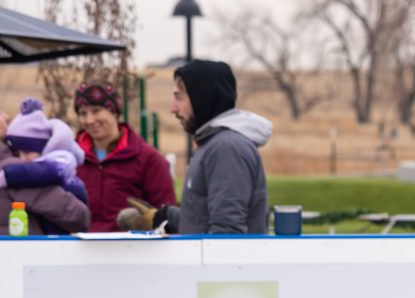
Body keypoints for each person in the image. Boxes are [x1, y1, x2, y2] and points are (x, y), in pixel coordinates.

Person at [171, 59, 271, 234]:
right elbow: (203, 219)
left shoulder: (226, 148)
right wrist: (163, 216)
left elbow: (227, 232)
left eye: (179, 97)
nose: (173, 108)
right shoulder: (213, 144)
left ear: (201, 98)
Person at [69, 82, 177, 233]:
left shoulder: (149, 159)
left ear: (114, 112)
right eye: (82, 113)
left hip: (132, 251)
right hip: (76, 250)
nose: (89, 120)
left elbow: (166, 216)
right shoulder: (69, 159)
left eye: (96, 111)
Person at [0, 99, 90, 236]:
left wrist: (4, 177)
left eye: (26, 152)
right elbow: (78, 216)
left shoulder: (58, 162)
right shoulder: (10, 165)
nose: (6, 117)